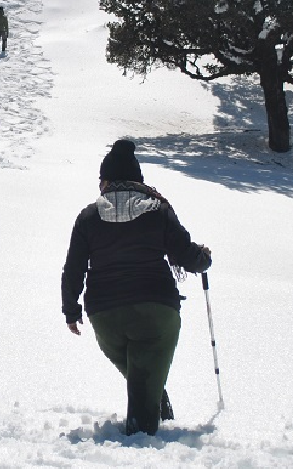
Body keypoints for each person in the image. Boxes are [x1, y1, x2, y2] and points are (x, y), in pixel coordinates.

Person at [60, 140, 212, 436]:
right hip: (156, 310)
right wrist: (202, 258)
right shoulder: (158, 210)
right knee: (146, 366)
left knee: (138, 369)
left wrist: (70, 309)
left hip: (105, 315)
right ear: (137, 179)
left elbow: (74, 267)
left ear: (107, 180)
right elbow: (184, 255)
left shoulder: (89, 217)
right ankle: (142, 435)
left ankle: (154, 405)